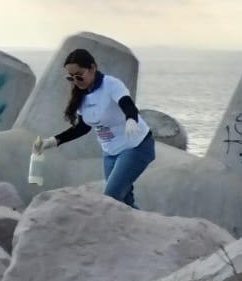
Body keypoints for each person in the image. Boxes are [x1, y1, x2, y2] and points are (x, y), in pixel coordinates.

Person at [33, 49, 155, 208]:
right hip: (110, 152)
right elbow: (83, 127)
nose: (76, 81)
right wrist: (53, 141)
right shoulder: (81, 96)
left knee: (111, 197)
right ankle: (141, 229)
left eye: (79, 75)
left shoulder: (111, 84)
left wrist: (131, 118)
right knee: (124, 201)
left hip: (136, 146)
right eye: (71, 77)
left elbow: (127, 104)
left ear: (92, 68)